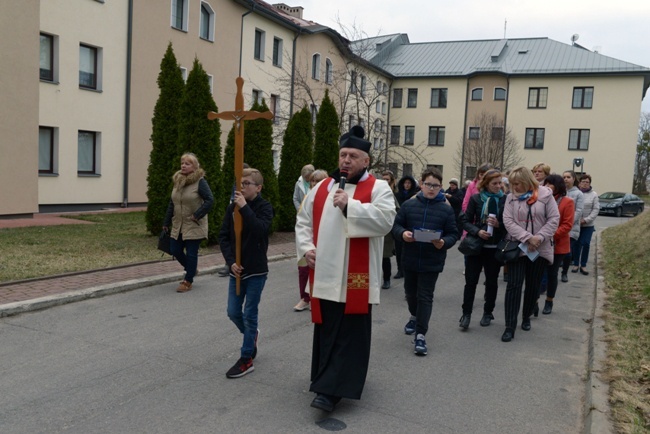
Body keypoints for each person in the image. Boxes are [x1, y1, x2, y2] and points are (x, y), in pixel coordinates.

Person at [295, 126, 395, 412]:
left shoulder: (379, 188)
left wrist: (351, 205)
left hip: (356, 278)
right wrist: (305, 249)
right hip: (325, 271)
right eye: (342, 155)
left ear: (366, 160)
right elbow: (303, 220)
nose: (346, 160)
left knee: (350, 333)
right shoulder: (322, 186)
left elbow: (386, 221)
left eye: (353, 155)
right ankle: (323, 379)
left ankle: (332, 391)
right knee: (327, 330)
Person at [392, 168, 459, 355]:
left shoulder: (446, 209)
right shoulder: (408, 205)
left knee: (425, 296)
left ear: (440, 187)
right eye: (428, 184)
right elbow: (396, 226)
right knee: (410, 294)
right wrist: (403, 234)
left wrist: (444, 242)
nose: (431, 188)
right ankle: (414, 315)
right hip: (410, 258)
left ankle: (421, 335)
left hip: (432, 260)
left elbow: (453, 233)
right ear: (421, 184)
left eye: (436, 185)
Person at [219, 168, 274, 379]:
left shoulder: (264, 207)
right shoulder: (232, 208)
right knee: (233, 312)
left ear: (258, 188)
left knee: (250, 315)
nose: (242, 187)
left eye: (247, 184)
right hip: (237, 271)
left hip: (257, 271)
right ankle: (251, 338)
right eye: (240, 183)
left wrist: (244, 208)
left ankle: (246, 359)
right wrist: (230, 261)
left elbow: (261, 229)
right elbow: (223, 236)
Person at [501, 166, 559, 342]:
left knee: (533, 285)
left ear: (527, 181)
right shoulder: (511, 198)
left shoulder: (546, 195)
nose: (514, 188)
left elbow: (554, 219)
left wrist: (539, 238)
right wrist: (527, 238)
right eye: (512, 184)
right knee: (514, 285)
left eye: (517, 183)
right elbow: (508, 221)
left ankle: (526, 317)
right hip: (518, 247)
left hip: (539, 249)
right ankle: (509, 326)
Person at [458, 169, 506, 329]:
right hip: (476, 247)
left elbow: (511, 225)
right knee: (470, 282)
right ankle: (466, 314)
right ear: (486, 184)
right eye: (495, 183)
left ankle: (488, 312)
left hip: (494, 248)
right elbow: (464, 220)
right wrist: (478, 231)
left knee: (491, 282)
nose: (498, 186)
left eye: (500, 183)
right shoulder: (476, 198)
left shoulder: (505, 200)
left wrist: (499, 225)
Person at [163, 152, 214, 293]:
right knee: (175, 250)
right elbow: (172, 203)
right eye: (182, 163)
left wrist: (197, 215)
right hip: (178, 223)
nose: (183, 165)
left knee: (192, 253)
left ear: (195, 166)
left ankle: (188, 280)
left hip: (194, 223)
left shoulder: (200, 182)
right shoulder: (178, 180)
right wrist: (166, 222)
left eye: (187, 163)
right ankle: (191, 269)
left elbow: (210, 200)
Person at [540, 174, 575, 315]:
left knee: (552, 274)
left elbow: (567, 225)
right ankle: (534, 300)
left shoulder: (567, 202)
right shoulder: (540, 199)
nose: (547, 187)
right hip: (540, 243)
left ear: (558, 186)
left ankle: (549, 301)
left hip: (557, 244)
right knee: (537, 273)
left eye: (550, 184)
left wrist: (549, 235)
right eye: (546, 184)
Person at [292, 164, 315, 312]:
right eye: (312, 181)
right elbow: (295, 198)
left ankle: (315, 298)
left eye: (316, 181)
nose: (313, 184)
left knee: (316, 268)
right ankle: (304, 298)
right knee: (303, 267)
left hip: (318, 236)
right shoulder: (299, 184)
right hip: (305, 233)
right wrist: (300, 209)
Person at [572, 174, 599, 275]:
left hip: (588, 225)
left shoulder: (594, 195)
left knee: (586, 243)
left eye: (587, 182)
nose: (585, 184)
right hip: (576, 223)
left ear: (590, 184)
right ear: (579, 183)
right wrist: (576, 220)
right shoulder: (576, 193)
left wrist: (586, 220)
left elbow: (596, 209)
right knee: (576, 244)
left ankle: (583, 265)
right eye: (583, 182)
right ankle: (576, 264)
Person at [560, 170, 584, 283]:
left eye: (568, 177)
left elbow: (579, 210)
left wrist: (568, 222)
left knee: (567, 251)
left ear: (574, 179)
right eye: (564, 177)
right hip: (559, 227)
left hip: (572, 228)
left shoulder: (579, 194)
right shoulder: (560, 192)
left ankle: (564, 272)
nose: (565, 179)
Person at [393, 174, 418, 279]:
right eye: (405, 183)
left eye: (409, 183)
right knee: (399, 250)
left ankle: (408, 269)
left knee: (408, 250)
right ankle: (400, 269)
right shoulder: (397, 195)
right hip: (400, 224)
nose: (407, 185)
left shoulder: (414, 196)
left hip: (410, 225)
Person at [381, 170, 399, 289]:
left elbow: (397, 210)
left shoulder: (391, 194)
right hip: (375, 227)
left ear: (391, 181)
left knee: (385, 257)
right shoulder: (377, 191)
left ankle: (386, 279)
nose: (385, 182)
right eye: (383, 179)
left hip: (387, 229)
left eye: (387, 179)